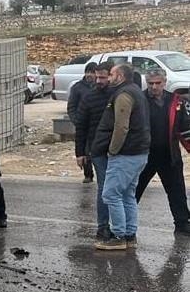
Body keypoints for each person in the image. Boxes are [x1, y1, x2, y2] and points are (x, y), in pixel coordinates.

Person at [90, 64, 150, 250]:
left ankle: (118, 236)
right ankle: (130, 234)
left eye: (112, 74)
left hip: (126, 154)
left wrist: (113, 150)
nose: (109, 77)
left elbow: (121, 126)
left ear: (121, 76)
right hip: (138, 152)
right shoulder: (136, 91)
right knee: (127, 194)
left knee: (110, 194)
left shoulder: (124, 95)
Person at [135, 69, 190, 235]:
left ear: (164, 82)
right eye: (151, 83)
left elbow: (186, 126)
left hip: (169, 154)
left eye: (158, 83)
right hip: (144, 155)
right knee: (134, 191)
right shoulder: (139, 99)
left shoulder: (176, 101)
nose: (154, 87)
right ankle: (122, 225)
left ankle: (182, 224)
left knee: (177, 191)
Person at [74, 62, 114, 240]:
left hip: (120, 150)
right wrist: (80, 153)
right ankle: (103, 226)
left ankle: (123, 227)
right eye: (97, 77)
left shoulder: (119, 95)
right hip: (98, 150)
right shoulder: (89, 97)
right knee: (104, 188)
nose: (99, 81)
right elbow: (81, 127)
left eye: (103, 77)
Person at [68, 62, 98, 183]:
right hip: (83, 125)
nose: (89, 75)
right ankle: (88, 174)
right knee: (84, 150)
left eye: (92, 72)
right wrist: (77, 121)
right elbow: (71, 107)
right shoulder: (77, 87)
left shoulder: (101, 86)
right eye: (88, 72)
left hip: (97, 125)